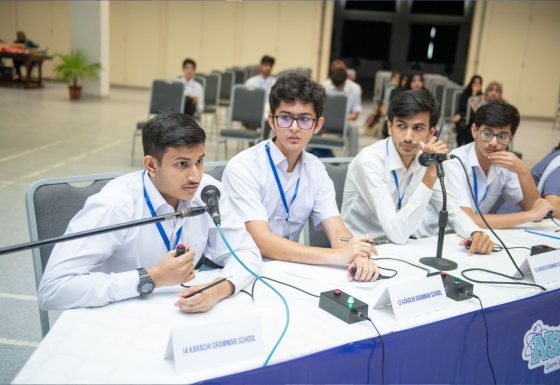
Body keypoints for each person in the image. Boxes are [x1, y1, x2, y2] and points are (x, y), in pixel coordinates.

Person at [39, 112, 261, 312]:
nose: (195, 176)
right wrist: (153, 277)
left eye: (199, 161)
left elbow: (246, 252)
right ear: (151, 165)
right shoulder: (115, 204)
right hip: (120, 316)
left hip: (183, 312)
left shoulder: (208, 192)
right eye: (182, 164)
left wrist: (219, 289)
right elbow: (53, 289)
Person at [222, 73, 380, 282]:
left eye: (304, 119)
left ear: (318, 124)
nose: (295, 128)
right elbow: (259, 241)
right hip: (242, 272)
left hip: (291, 270)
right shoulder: (244, 167)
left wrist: (355, 253)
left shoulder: (316, 170)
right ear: (272, 120)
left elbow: (336, 228)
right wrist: (337, 255)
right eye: (286, 117)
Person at [342, 90, 494, 254]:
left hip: (400, 247)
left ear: (431, 133)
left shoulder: (424, 158)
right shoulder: (370, 160)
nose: (408, 137)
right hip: (360, 249)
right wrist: (430, 174)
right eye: (401, 126)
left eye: (418, 128)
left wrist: (475, 232)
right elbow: (396, 233)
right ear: (389, 127)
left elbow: (451, 210)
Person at [443, 101, 554, 228]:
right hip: (436, 236)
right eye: (487, 134)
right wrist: (529, 215)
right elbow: (466, 219)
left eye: (502, 136)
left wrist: (523, 170)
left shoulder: (506, 163)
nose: (493, 143)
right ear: (475, 131)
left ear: (512, 136)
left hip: (472, 235)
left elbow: (536, 207)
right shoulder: (455, 161)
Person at [323, 67, 362, 156]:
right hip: (325, 120)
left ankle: (352, 158)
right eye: (335, 85)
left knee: (354, 128)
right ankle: (307, 153)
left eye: (339, 85)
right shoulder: (325, 86)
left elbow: (355, 114)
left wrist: (340, 119)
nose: (337, 87)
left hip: (345, 121)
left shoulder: (355, 89)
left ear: (346, 80)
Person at [453, 75, 483, 146]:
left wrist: (474, 96)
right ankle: (460, 145)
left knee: (471, 129)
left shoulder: (481, 96)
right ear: (471, 83)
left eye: (479, 83)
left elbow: (478, 111)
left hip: (475, 119)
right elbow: (462, 108)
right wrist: (460, 115)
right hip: (464, 117)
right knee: (461, 126)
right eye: (475, 83)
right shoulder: (465, 94)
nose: (476, 85)